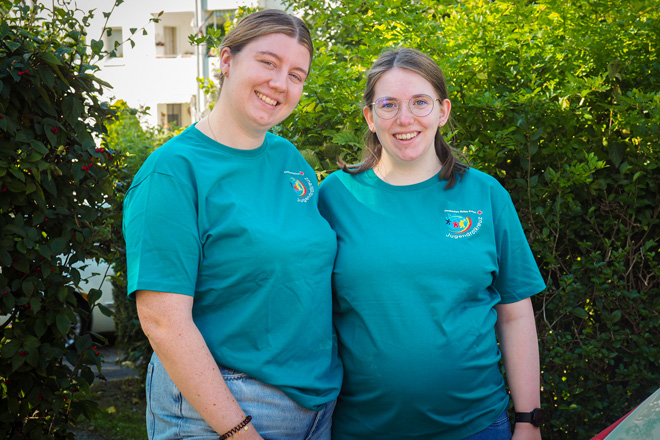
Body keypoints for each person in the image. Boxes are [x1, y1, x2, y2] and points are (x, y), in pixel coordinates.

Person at [123, 9, 342, 440]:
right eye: (267, 62)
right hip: (225, 411)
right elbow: (163, 321)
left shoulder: (289, 161)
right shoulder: (172, 172)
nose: (280, 83)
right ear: (226, 60)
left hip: (316, 406)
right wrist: (239, 430)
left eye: (296, 74)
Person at [318, 47, 546, 440]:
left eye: (420, 102)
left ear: (442, 111)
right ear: (370, 118)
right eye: (388, 105)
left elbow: (515, 313)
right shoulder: (334, 197)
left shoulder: (485, 194)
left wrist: (528, 420)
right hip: (363, 430)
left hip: (477, 427)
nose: (405, 119)